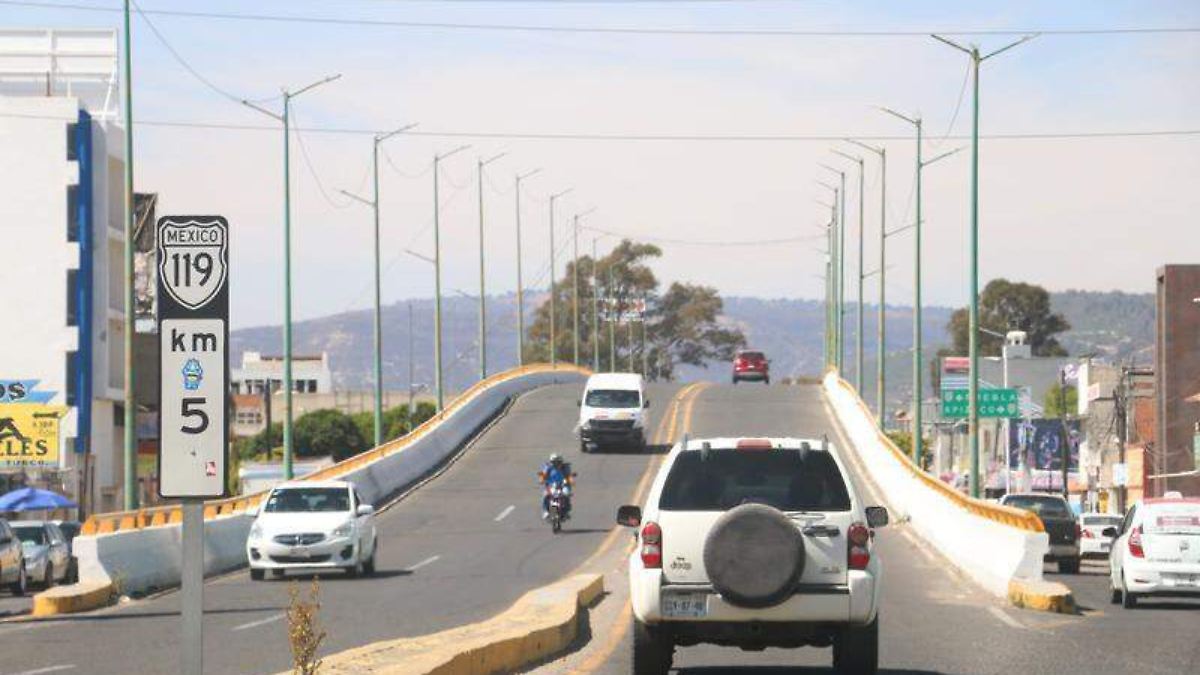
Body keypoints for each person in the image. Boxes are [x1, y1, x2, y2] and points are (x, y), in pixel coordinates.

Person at [538, 453, 574, 520]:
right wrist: (542, 479)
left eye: (558, 462)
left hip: (563, 485)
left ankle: (566, 511)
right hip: (551, 485)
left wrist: (571, 481)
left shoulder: (565, 467)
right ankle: (546, 511)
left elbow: (569, 476)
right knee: (545, 495)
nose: (556, 463)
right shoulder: (548, 467)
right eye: (554, 462)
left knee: (566, 494)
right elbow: (543, 475)